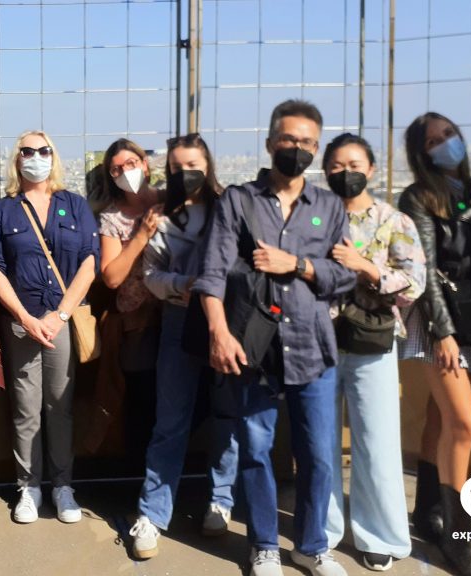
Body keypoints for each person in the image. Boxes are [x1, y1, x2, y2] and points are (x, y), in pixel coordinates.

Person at [194, 100, 356, 576]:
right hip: (253, 348)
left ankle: (311, 545)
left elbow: (345, 276)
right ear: (269, 143)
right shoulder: (239, 201)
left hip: (313, 347)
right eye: (289, 140)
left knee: (319, 456)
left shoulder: (328, 206)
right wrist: (219, 334)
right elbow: (211, 274)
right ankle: (264, 543)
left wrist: (298, 264)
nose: (297, 149)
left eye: (307, 142)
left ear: (317, 147)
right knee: (256, 450)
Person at [128, 133, 239, 560]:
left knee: (228, 414)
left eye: (192, 164)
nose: (185, 173)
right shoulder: (162, 217)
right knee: (170, 420)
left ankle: (221, 500)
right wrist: (183, 285)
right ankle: (153, 513)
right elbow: (151, 275)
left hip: (227, 321)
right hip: (178, 318)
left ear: (208, 164)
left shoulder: (230, 209)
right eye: (176, 168)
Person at [321, 133, 426, 572]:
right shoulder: (314, 217)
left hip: (373, 341)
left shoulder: (393, 220)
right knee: (318, 443)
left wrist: (364, 267)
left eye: (355, 164)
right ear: (325, 170)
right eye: (338, 165)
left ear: (371, 168)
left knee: (377, 443)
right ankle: (320, 531)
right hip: (320, 342)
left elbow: (414, 281)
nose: (347, 173)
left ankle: (380, 534)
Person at [398, 112, 471, 576]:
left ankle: (428, 512)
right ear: (420, 152)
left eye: (448, 135)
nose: (443, 145)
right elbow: (426, 270)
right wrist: (443, 332)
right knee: (465, 425)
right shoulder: (418, 196)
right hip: (444, 323)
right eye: (432, 141)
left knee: (442, 418)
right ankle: (460, 539)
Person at [0, 130, 99, 525]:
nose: (35, 156)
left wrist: (61, 315)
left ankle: (62, 486)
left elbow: (89, 261)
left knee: (60, 407)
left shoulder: (75, 204)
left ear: (54, 156)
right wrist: (25, 318)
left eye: (43, 150)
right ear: (17, 159)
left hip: (61, 321)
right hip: (22, 322)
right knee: (25, 409)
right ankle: (28, 487)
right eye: (27, 151)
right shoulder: (4, 209)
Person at [95, 138, 162, 467]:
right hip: (137, 323)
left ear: (145, 164)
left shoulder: (170, 202)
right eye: (116, 169)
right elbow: (112, 277)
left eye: (130, 164)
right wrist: (141, 236)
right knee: (140, 406)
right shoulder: (112, 218)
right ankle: (138, 485)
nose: (125, 172)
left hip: (176, 314)